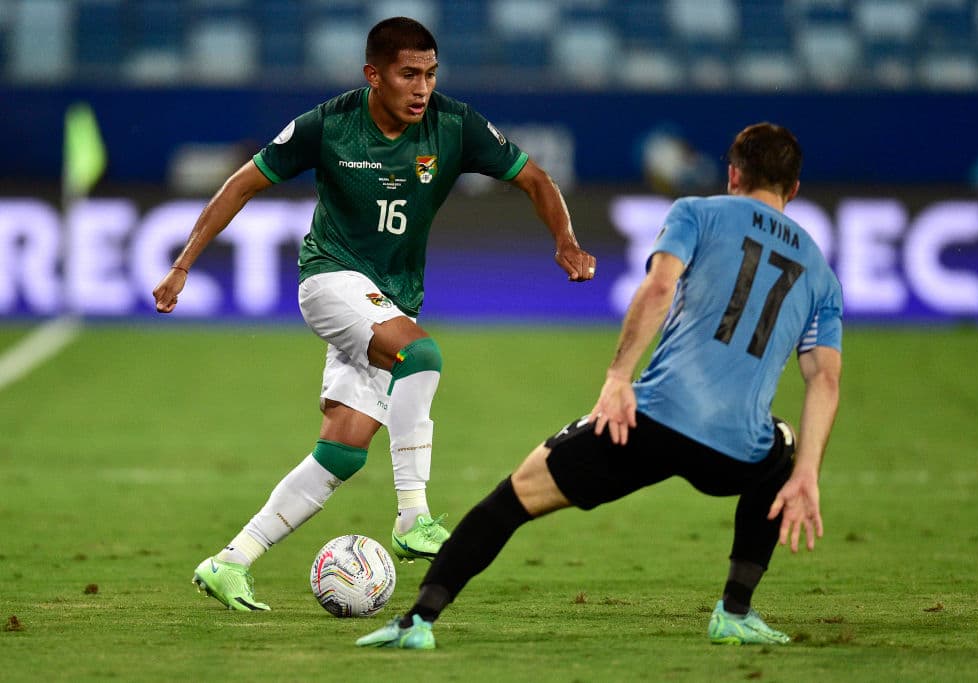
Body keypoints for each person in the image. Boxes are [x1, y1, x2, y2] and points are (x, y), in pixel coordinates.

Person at [152, 16, 596, 612]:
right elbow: (241, 184)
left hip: (389, 300)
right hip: (330, 279)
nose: (422, 88)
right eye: (408, 74)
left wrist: (564, 240)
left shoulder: (454, 126)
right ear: (374, 76)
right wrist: (183, 264)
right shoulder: (330, 125)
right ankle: (413, 514)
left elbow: (535, 179)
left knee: (342, 450)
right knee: (423, 353)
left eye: (430, 74)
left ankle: (230, 562)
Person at [356, 122, 843, 649]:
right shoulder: (819, 270)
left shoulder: (696, 213)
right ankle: (735, 611)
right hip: (736, 450)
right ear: (793, 189)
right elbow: (825, 378)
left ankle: (419, 621)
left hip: (649, 421)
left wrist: (617, 378)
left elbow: (659, 287)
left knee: (513, 498)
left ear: (733, 175)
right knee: (784, 443)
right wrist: (808, 474)